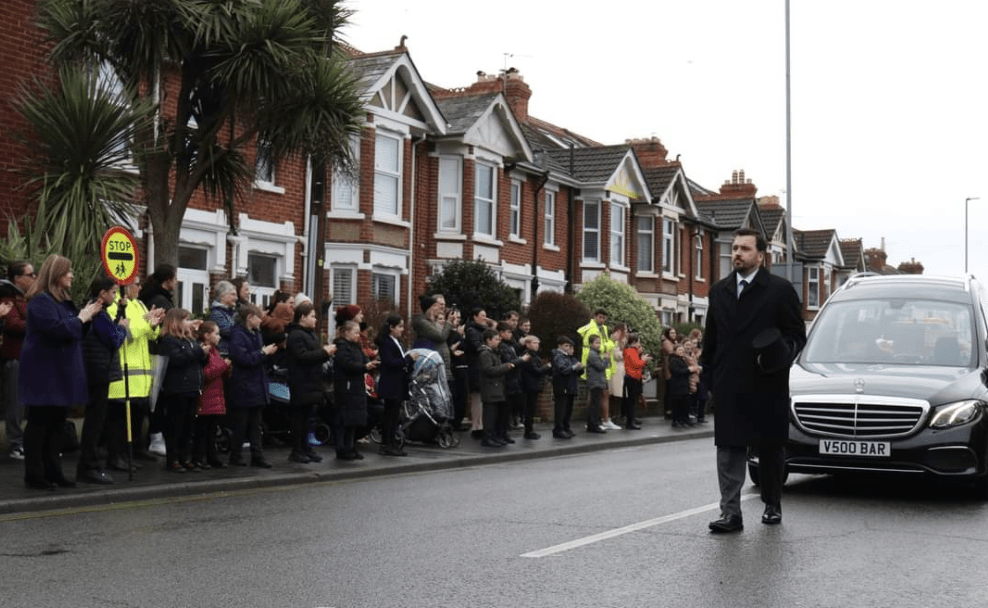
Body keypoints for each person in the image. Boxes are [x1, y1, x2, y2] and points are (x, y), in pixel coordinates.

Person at [702, 228, 806, 533]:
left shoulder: (780, 290)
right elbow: (712, 338)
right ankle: (730, 513)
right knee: (728, 448)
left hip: (767, 382)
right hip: (729, 383)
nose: (737, 253)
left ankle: (773, 503)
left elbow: (796, 336)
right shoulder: (718, 291)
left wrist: (780, 356)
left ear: (761, 255)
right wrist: (709, 377)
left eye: (745, 249)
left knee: (771, 447)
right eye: (734, 248)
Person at [20, 255, 101, 489]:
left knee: (56, 425)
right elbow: (55, 330)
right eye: (68, 272)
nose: (72, 275)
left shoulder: (62, 301)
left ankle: (53, 471)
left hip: (60, 370)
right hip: (44, 372)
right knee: (40, 425)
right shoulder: (40, 301)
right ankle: (35, 474)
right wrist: (80, 318)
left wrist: (85, 319)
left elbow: (73, 332)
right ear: (56, 274)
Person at [105, 279, 165, 470]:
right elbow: (126, 333)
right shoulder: (113, 306)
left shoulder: (139, 304)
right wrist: (146, 321)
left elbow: (150, 335)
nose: (140, 288)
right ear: (124, 286)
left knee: (137, 419)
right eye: (137, 284)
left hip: (141, 377)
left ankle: (135, 451)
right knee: (119, 423)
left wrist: (153, 323)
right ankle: (117, 456)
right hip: (123, 376)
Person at [77, 276, 129, 484]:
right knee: (95, 422)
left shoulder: (99, 312)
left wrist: (118, 317)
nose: (115, 296)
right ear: (102, 293)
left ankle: (91, 463)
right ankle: (88, 465)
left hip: (97, 370)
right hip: (97, 371)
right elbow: (113, 339)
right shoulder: (97, 314)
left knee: (97, 420)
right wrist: (123, 327)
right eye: (113, 292)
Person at [228, 303, 278, 467]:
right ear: (250, 318)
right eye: (258, 317)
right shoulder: (238, 335)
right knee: (241, 424)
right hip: (243, 384)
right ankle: (236, 455)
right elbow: (243, 358)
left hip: (257, 383)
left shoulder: (256, 334)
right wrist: (263, 352)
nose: (261, 321)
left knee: (256, 425)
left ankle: (257, 455)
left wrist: (264, 354)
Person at [157, 308, 207, 472]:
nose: (189, 323)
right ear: (177, 322)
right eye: (186, 320)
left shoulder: (189, 339)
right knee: (175, 427)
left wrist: (202, 353)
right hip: (177, 389)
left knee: (188, 427)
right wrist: (199, 351)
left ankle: (185, 457)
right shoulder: (169, 340)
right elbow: (177, 359)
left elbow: (198, 361)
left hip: (192, 388)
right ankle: (173, 460)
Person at [285, 302, 334, 463]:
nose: (315, 320)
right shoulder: (296, 335)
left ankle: (306, 447)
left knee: (309, 418)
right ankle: (296, 450)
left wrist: (324, 353)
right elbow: (303, 356)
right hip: (301, 382)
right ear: (302, 317)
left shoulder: (310, 333)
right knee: (299, 417)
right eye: (312, 316)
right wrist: (324, 352)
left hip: (312, 382)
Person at [138, 263, 176, 456]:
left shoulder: (154, 296)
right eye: (174, 278)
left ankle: (155, 436)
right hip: (158, 352)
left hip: (154, 351)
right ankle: (155, 436)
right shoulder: (161, 300)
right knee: (156, 397)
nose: (176, 282)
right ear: (167, 280)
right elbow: (165, 327)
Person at [1, 260, 35, 460]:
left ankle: (26, 441)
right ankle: (15, 444)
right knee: (16, 404)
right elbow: (13, 325)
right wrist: (36, 321)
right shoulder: (8, 297)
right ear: (17, 278)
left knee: (29, 405)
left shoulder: (29, 298)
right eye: (30, 274)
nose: (34, 278)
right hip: (15, 358)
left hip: (30, 358)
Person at [333, 320, 378, 460]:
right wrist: (364, 367)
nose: (358, 335)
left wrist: (369, 364)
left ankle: (350, 446)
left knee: (354, 420)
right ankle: (342, 448)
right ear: (346, 332)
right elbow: (346, 364)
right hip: (346, 387)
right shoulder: (341, 347)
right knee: (344, 419)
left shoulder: (356, 347)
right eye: (355, 332)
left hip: (357, 386)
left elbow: (363, 360)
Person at [375, 314, 419, 457]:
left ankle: (392, 442)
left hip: (399, 382)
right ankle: (386, 443)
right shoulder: (386, 343)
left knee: (395, 415)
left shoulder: (398, 342)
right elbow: (390, 362)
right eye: (399, 326)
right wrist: (408, 359)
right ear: (391, 328)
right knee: (390, 414)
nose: (402, 329)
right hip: (390, 383)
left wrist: (410, 363)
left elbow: (401, 362)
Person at [192, 321, 231, 469]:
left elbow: (220, 373)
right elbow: (205, 375)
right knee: (202, 431)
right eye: (216, 333)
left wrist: (227, 368)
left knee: (212, 431)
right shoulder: (204, 350)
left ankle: (211, 457)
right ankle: (200, 458)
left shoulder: (215, 350)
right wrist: (223, 366)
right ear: (207, 335)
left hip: (216, 395)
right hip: (206, 397)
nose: (219, 337)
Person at [477, 328, 516, 448]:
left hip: (497, 387)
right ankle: (487, 437)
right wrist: (506, 367)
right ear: (488, 340)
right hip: (490, 388)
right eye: (496, 339)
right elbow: (489, 370)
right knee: (489, 414)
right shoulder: (485, 354)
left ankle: (494, 436)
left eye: (499, 339)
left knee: (495, 415)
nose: (498, 341)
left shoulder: (495, 353)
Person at [578, 309, 614, 425]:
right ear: (594, 317)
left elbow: (603, 345)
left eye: (604, 318)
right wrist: (611, 343)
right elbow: (596, 346)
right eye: (600, 317)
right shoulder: (591, 328)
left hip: (601, 363)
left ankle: (596, 420)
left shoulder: (603, 328)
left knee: (598, 395)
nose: (602, 320)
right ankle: (592, 421)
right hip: (594, 364)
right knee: (593, 395)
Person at [464, 307, 493, 439]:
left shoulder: (482, 330)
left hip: (481, 366)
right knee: (477, 397)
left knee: (482, 397)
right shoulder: (472, 330)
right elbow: (477, 346)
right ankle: (477, 426)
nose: (485, 318)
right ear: (475, 317)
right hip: (476, 367)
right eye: (482, 315)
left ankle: (481, 425)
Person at [518, 335, 551, 439]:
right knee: (529, 409)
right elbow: (536, 371)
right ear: (527, 344)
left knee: (532, 409)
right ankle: (528, 431)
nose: (536, 345)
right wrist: (547, 366)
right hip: (529, 385)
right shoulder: (528, 356)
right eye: (534, 343)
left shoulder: (534, 355)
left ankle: (530, 430)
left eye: (537, 343)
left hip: (533, 385)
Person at [551, 336, 583, 439]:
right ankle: (558, 429)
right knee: (561, 409)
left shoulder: (570, 357)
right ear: (559, 346)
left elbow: (576, 371)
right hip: (562, 386)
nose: (568, 348)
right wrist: (574, 367)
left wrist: (580, 368)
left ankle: (565, 427)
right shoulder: (558, 356)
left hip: (570, 386)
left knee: (568, 409)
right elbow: (563, 370)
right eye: (566, 346)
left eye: (569, 346)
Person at [445, 307, 469, 431]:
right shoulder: (447, 332)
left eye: (459, 318)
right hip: (453, 367)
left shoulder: (460, 333)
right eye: (454, 317)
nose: (457, 320)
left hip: (463, 367)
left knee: (463, 396)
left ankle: (458, 421)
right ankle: (452, 422)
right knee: (455, 395)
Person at [623, 334, 652, 430]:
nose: (639, 344)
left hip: (634, 377)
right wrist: (643, 360)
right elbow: (636, 364)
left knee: (632, 401)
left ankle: (631, 421)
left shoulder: (631, 351)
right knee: (631, 402)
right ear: (633, 343)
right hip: (631, 378)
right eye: (638, 342)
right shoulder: (630, 351)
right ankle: (630, 423)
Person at [604, 322, 627, 430]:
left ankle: (616, 416)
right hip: (614, 370)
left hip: (620, 370)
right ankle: (611, 417)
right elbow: (617, 356)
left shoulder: (622, 341)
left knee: (618, 394)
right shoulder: (613, 342)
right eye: (624, 330)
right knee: (613, 394)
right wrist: (623, 354)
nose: (626, 332)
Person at [584, 334, 608, 434]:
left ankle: (592, 424)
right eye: (596, 342)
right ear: (591, 343)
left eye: (599, 342)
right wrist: (606, 359)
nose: (598, 344)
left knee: (595, 404)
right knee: (594, 404)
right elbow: (600, 366)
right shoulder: (593, 354)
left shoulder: (595, 354)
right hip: (595, 382)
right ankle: (593, 425)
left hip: (597, 381)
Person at [209, 280, 238, 358]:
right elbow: (230, 332)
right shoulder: (216, 314)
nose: (236, 298)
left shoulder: (231, 312)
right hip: (223, 355)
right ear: (222, 296)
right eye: (233, 294)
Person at [667, 344, 693, 429]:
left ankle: (682, 420)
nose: (681, 352)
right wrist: (689, 369)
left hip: (684, 385)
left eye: (682, 350)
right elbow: (677, 371)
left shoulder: (682, 360)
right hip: (677, 385)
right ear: (675, 351)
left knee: (683, 404)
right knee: (676, 404)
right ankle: (675, 421)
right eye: (679, 350)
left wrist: (692, 370)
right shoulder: (673, 360)